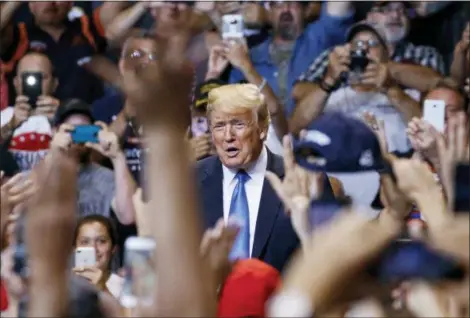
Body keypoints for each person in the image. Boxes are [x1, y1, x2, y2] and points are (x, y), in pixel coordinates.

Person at [196, 83, 334, 272]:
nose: (228, 136)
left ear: (262, 129)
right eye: (219, 126)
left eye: (238, 124)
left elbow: (331, 261)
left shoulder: (302, 179)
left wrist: (307, 219)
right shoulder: (191, 180)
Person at [228, 1, 354, 115]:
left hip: (314, 133)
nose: (286, 9)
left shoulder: (320, 37)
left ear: (306, 10)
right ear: (268, 12)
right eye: (278, 3)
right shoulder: (248, 57)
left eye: (293, 3)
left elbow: (339, 6)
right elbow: (232, 109)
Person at [0, 1, 109, 105]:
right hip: (29, 117)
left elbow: (117, 12)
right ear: (31, 4)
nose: (51, 2)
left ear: (70, 2)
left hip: (86, 115)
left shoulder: (86, 26)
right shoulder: (19, 34)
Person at [49, 98, 136, 224]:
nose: (78, 140)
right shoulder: (40, 174)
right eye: (73, 131)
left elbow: (128, 217)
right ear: (55, 132)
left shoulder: (106, 178)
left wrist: (117, 157)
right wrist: (53, 155)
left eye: (85, 131)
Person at [0, 52, 59, 171]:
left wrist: (59, 119)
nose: (33, 81)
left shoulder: (68, 113)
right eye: (25, 76)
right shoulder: (4, 116)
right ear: (15, 82)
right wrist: (11, 124)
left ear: (54, 83)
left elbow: (88, 155)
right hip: (12, 185)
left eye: (41, 77)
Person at [72, 215, 123, 299]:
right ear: (75, 248)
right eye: (85, 242)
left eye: (101, 241)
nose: (93, 249)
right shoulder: (63, 285)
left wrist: (103, 288)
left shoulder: (125, 287)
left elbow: (124, 312)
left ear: (113, 248)